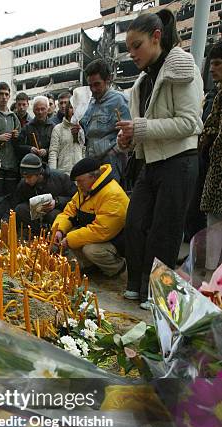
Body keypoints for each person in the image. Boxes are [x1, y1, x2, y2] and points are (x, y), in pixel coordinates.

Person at [116, 9, 203, 309]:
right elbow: (143, 128)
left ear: (156, 37)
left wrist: (140, 128)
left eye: (136, 45)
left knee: (164, 231)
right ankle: (137, 285)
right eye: (128, 48)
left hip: (180, 160)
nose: (132, 54)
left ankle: (157, 294)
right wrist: (127, 140)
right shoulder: (143, 81)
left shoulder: (181, 65)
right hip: (150, 162)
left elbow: (190, 122)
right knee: (135, 222)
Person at [52, 158, 128, 277]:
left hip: (117, 240)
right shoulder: (86, 189)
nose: (78, 185)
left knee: (89, 249)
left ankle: (115, 268)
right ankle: (92, 267)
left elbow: (101, 231)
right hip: (99, 235)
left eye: (80, 181)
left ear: (93, 177)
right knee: (73, 236)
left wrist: (69, 239)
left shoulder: (112, 194)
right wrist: (59, 230)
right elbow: (69, 212)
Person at [80, 59, 131, 183]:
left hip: (111, 163)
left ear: (108, 79)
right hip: (92, 162)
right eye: (90, 85)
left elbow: (128, 133)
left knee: (111, 199)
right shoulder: (91, 103)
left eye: (97, 84)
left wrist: (114, 152)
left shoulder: (120, 100)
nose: (93, 89)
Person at [199, 42, 222, 271]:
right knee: (214, 225)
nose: (212, 69)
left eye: (217, 64)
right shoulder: (217, 96)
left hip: (218, 174)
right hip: (215, 171)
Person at [14, 153, 77, 232]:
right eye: (24, 177)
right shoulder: (24, 184)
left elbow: (76, 199)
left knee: (54, 215)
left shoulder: (60, 178)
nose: (26, 180)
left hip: (57, 211)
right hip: (36, 214)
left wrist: (57, 202)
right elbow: (14, 203)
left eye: (29, 177)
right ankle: (38, 234)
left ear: (39, 173)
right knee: (20, 209)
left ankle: (53, 234)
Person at [48, 101, 85, 175]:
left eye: (76, 108)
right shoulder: (58, 129)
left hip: (79, 172)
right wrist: (53, 173)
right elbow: (53, 152)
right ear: (67, 109)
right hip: (63, 172)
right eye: (71, 107)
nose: (74, 110)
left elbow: (83, 150)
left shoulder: (81, 128)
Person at [16, 96, 55, 163]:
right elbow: (18, 146)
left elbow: (57, 147)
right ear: (33, 110)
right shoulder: (27, 127)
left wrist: (46, 151)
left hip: (48, 164)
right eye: (37, 109)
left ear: (47, 109)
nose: (40, 112)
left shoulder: (53, 127)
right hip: (32, 166)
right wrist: (30, 149)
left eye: (43, 109)